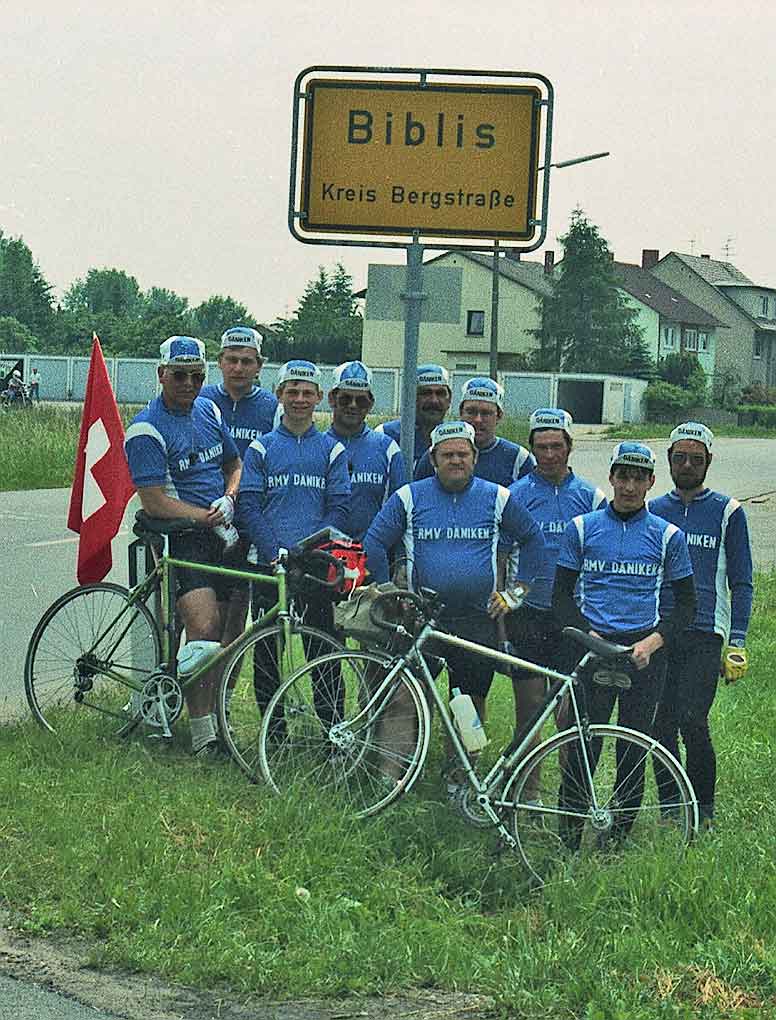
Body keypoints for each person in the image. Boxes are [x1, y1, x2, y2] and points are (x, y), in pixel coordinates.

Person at [365, 420, 545, 793]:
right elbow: (375, 542)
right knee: (403, 698)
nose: (456, 461)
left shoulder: (497, 497)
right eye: (447, 455)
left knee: (469, 705)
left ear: (475, 457)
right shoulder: (409, 497)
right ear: (433, 459)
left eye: (463, 454)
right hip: (421, 617)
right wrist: (389, 593)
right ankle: (390, 778)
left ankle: (460, 781)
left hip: (476, 619)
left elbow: (533, 539)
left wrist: (515, 593)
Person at [551, 441, 696, 845]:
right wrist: (588, 635)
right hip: (593, 647)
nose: (630, 487)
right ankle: (568, 839)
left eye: (638, 479)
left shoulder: (668, 535)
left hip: (642, 652)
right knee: (583, 747)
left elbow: (687, 604)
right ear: (611, 478)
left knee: (632, 751)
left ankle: (615, 840)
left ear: (651, 482)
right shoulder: (582, 528)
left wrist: (653, 643)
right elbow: (560, 596)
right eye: (623, 477)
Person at [124, 336, 242, 758]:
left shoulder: (209, 410)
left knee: (227, 634)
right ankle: (202, 733)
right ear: (161, 374)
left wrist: (230, 496)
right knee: (204, 630)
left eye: (196, 375)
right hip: (180, 537)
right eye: (179, 375)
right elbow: (154, 501)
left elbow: (234, 463)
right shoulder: (146, 429)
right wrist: (203, 516)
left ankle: (217, 719)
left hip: (221, 531)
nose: (189, 383)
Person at [494, 409, 607, 793]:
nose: (549, 455)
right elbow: (502, 558)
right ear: (532, 449)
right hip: (527, 614)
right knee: (529, 714)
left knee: (570, 719)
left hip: (572, 618)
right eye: (541, 447)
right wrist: (501, 617)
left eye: (556, 446)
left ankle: (569, 801)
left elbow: (601, 560)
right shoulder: (516, 495)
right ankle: (528, 799)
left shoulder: (591, 497)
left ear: (570, 447)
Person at [649, 422, 754, 831]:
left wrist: (738, 640)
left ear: (709, 461)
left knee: (693, 719)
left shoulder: (728, 512)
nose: (688, 465)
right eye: (680, 458)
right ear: (669, 460)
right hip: (660, 630)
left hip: (706, 631)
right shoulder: (653, 510)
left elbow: (741, 581)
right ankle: (670, 809)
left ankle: (703, 809)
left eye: (696, 459)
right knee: (660, 724)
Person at [237, 359, 351, 720]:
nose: (299, 399)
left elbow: (339, 509)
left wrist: (310, 550)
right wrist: (274, 551)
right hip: (269, 565)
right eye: (292, 392)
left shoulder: (332, 449)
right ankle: (273, 734)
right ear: (279, 395)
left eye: (306, 393)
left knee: (324, 654)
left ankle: (332, 735)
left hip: (315, 566)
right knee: (267, 654)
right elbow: (249, 506)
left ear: (318, 397)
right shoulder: (261, 448)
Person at [326, 360, 407, 541]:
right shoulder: (318, 446)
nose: (353, 405)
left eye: (361, 401)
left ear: (370, 404)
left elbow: (399, 512)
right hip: (322, 551)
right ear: (332, 399)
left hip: (370, 550)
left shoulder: (387, 448)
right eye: (346, 399)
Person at [415, 376, 535, 484]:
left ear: (499, 416)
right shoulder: (436, 454)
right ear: (461, 413)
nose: (478, 420)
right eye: (471, 412)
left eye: (486, 413)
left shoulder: (518, 458)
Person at [199, 326, 278, 457]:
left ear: (259, 366)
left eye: (246, 362)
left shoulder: (272, 407)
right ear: (220, 362)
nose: (238, 368)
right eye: (232, 360)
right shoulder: (201, 400)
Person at [375, 363, 452, 470]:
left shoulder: (454, 439)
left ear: (449, 400)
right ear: (410, 397)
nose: (434, 401)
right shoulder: (385, 435)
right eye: (425, 393)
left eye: (440, 393)